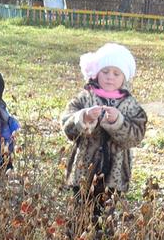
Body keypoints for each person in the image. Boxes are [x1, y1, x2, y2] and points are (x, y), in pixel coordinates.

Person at [61, 43, 147, 218]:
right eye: (105, 72)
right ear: (96, 73)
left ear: (125, 77)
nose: (110, 77)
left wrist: (118, 122)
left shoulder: (129, 104)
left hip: (114, 177)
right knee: (80, 214)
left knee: (106, 219)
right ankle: (77, 239)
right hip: (83, 172)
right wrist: (83, 118)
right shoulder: (85, 98)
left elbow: (136, 135)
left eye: (116, 73)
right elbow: (67, 127)